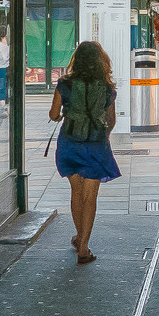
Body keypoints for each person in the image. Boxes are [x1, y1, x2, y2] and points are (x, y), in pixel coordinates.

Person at [49, 40, 120, 264]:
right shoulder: (107, 87)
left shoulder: (64, 83)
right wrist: (103, 135)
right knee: (90, 197)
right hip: (95, 144)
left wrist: (63, 116)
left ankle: (80, 237)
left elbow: (53, 114)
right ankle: (84, 247)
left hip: (70, 143)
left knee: (76, 193)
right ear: (101, 61)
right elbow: (111, 120)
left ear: (76, 60)